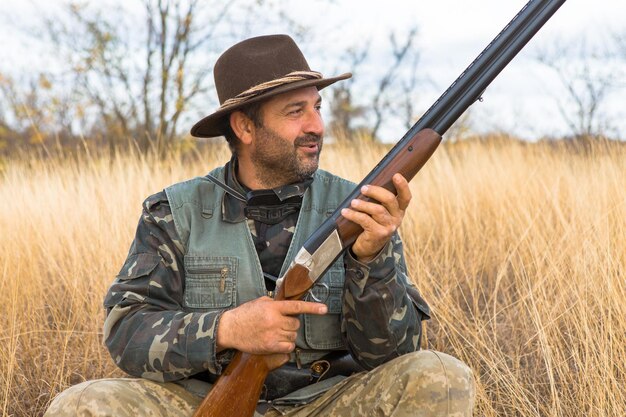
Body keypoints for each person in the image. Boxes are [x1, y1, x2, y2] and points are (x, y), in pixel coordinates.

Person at [44, 34, 475, 417]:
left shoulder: (361, 209)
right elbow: (126, 332)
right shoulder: (176, 211)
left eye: (317, 108)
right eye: (295, 111)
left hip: (325, 401)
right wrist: (227, 329)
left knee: (439, 375)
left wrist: (371, 259)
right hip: (201, 402)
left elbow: (393, 354)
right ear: (245, 127)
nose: (317, 126)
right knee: (81, 406)